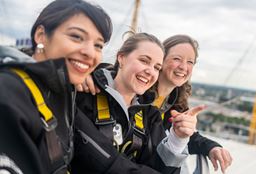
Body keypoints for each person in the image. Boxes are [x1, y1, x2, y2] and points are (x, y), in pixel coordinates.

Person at [0, 0, 112, 173]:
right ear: (41, 35)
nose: (90, 52)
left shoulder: (63, 91)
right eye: (76, 36)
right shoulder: (8, 94)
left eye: (98, 45)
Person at [71, 32, 205, 173]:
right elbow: (96, 156)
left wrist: (178, 140)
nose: (150, 71)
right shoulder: (85, 93)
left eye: (157, 67)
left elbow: (160, 169)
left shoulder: (150, 116)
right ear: (121, 58)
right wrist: (80, 75)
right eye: (144, 61)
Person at [150, 34, 233, 173]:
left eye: (190, 62)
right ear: (161, 59)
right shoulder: (140, 96)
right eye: (177, 59)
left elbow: (184, 135)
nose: (183, 67)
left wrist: (212, 147)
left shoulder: (174, 102)